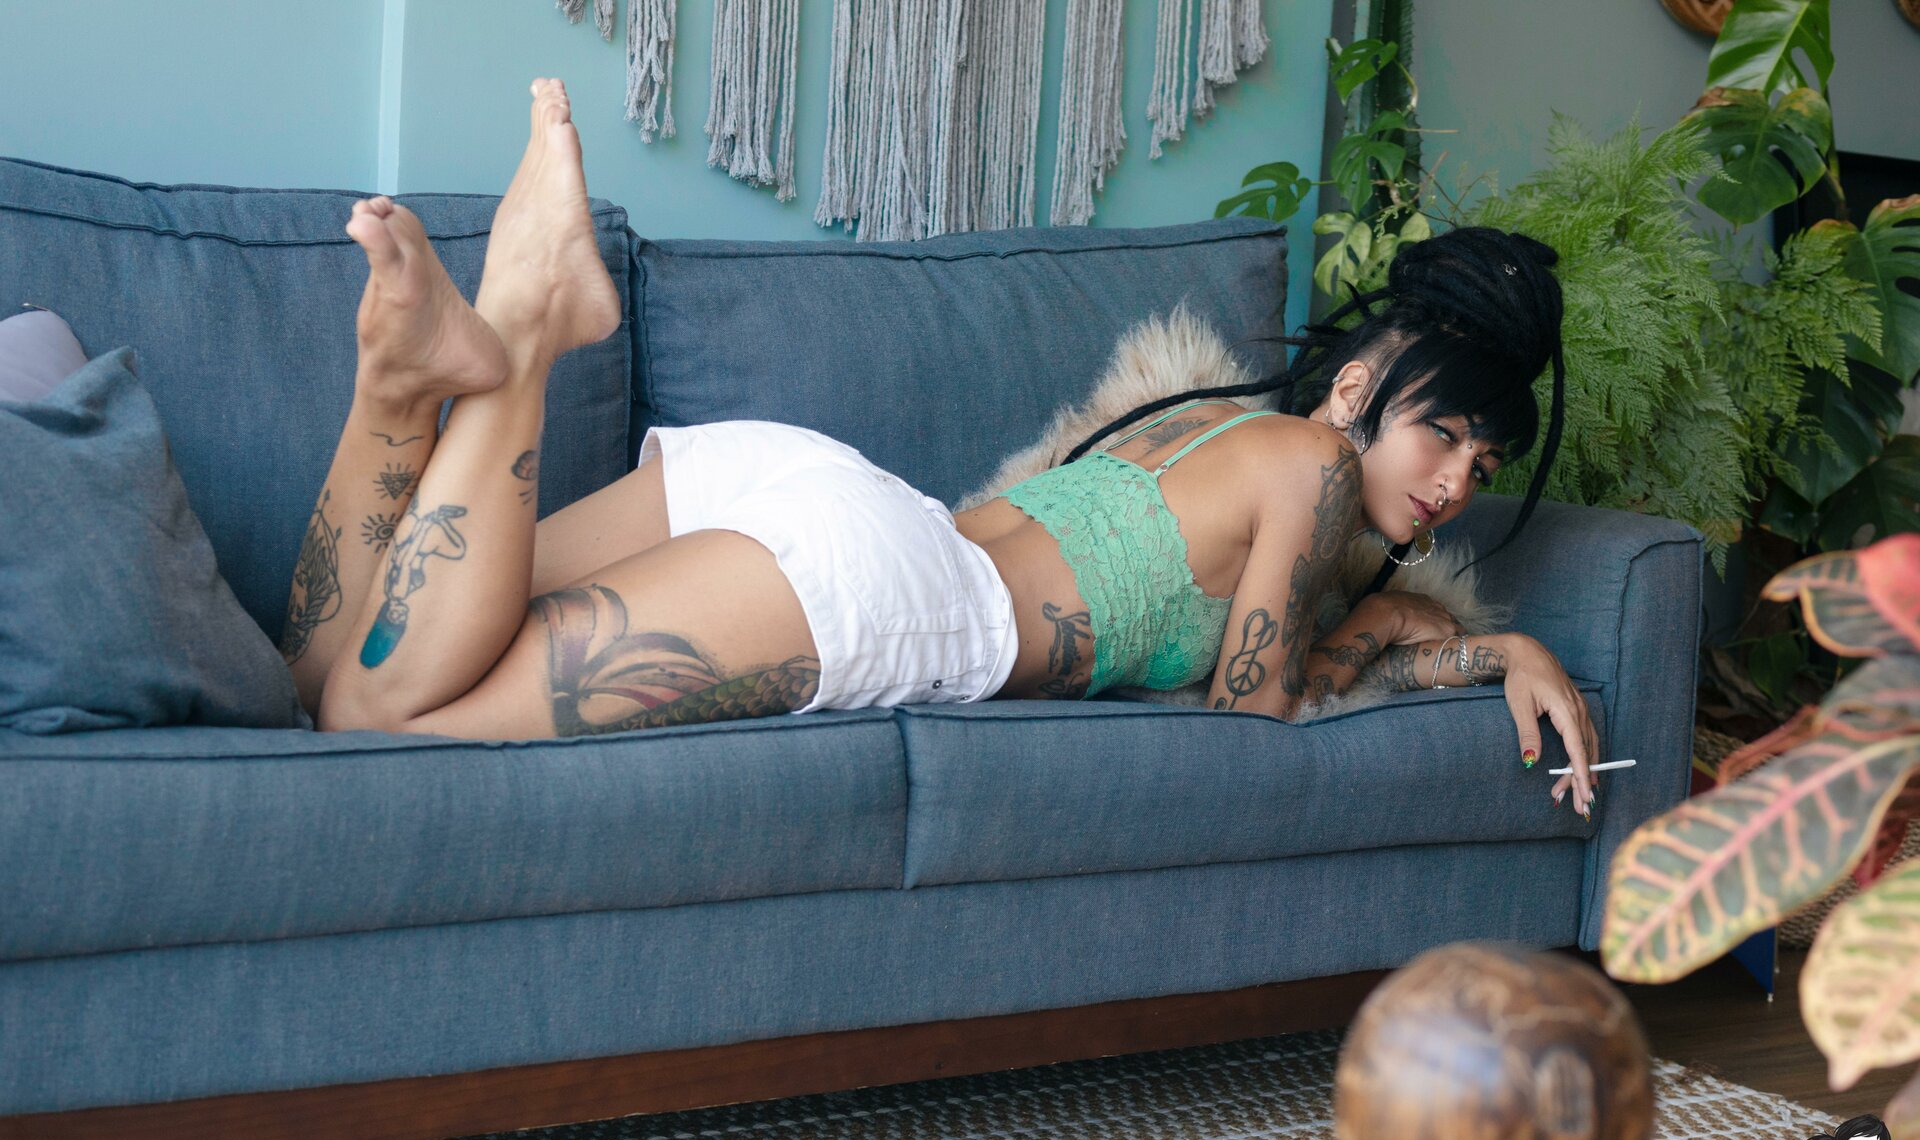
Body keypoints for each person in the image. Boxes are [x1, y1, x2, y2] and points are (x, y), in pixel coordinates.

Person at [286, 77, 1602, 817]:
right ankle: (523, 335)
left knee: (326, 678)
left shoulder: (1211, 421)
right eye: (1441, 434)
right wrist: (1435, 637)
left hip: (818, 492)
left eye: (1481, 468)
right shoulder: (1309, 469)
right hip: (896, 595)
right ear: (1360, 385)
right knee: (378, 723)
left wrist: (1485, 647)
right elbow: (1254, 719)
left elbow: (1272, 639)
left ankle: (398, 392)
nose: (1452, 482)